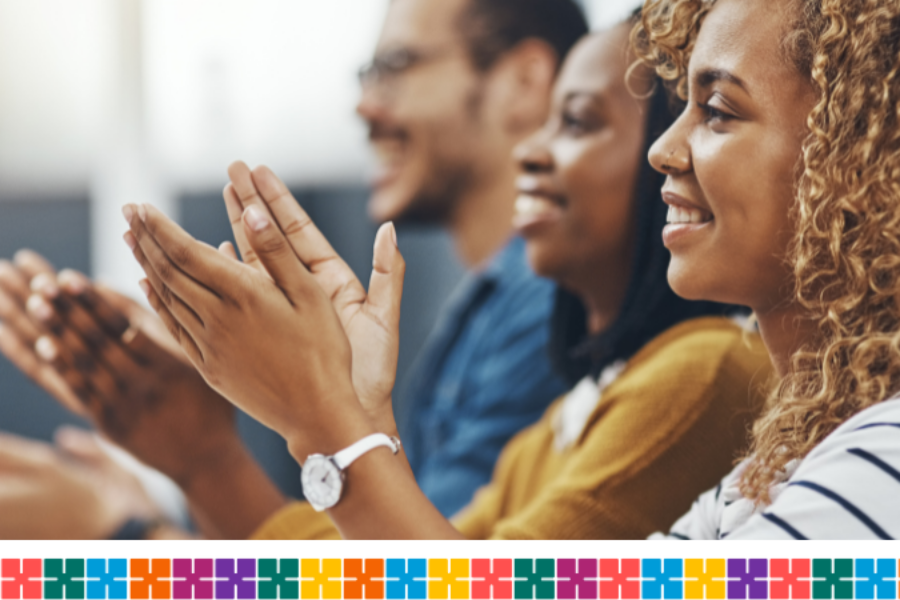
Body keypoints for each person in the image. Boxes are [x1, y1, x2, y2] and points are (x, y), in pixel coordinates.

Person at [119, 22, 772, 540]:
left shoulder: (703, 371)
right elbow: (413, 562)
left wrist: (312, 415)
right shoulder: (561, 422)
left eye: (576, 122)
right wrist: (355, 412)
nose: (529, 150)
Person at [628, 0, 900, 539]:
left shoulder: (885, 459)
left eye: (717, 110)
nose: (662, 149)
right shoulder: (766, 475)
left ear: (856, 156)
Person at [359, 0, 586, 516]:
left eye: (396, 66)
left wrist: (209, 460)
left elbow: (423, 557)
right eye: (368, 75)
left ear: (524, 83)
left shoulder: (551, 305)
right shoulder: (492, 300)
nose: (365, 106)